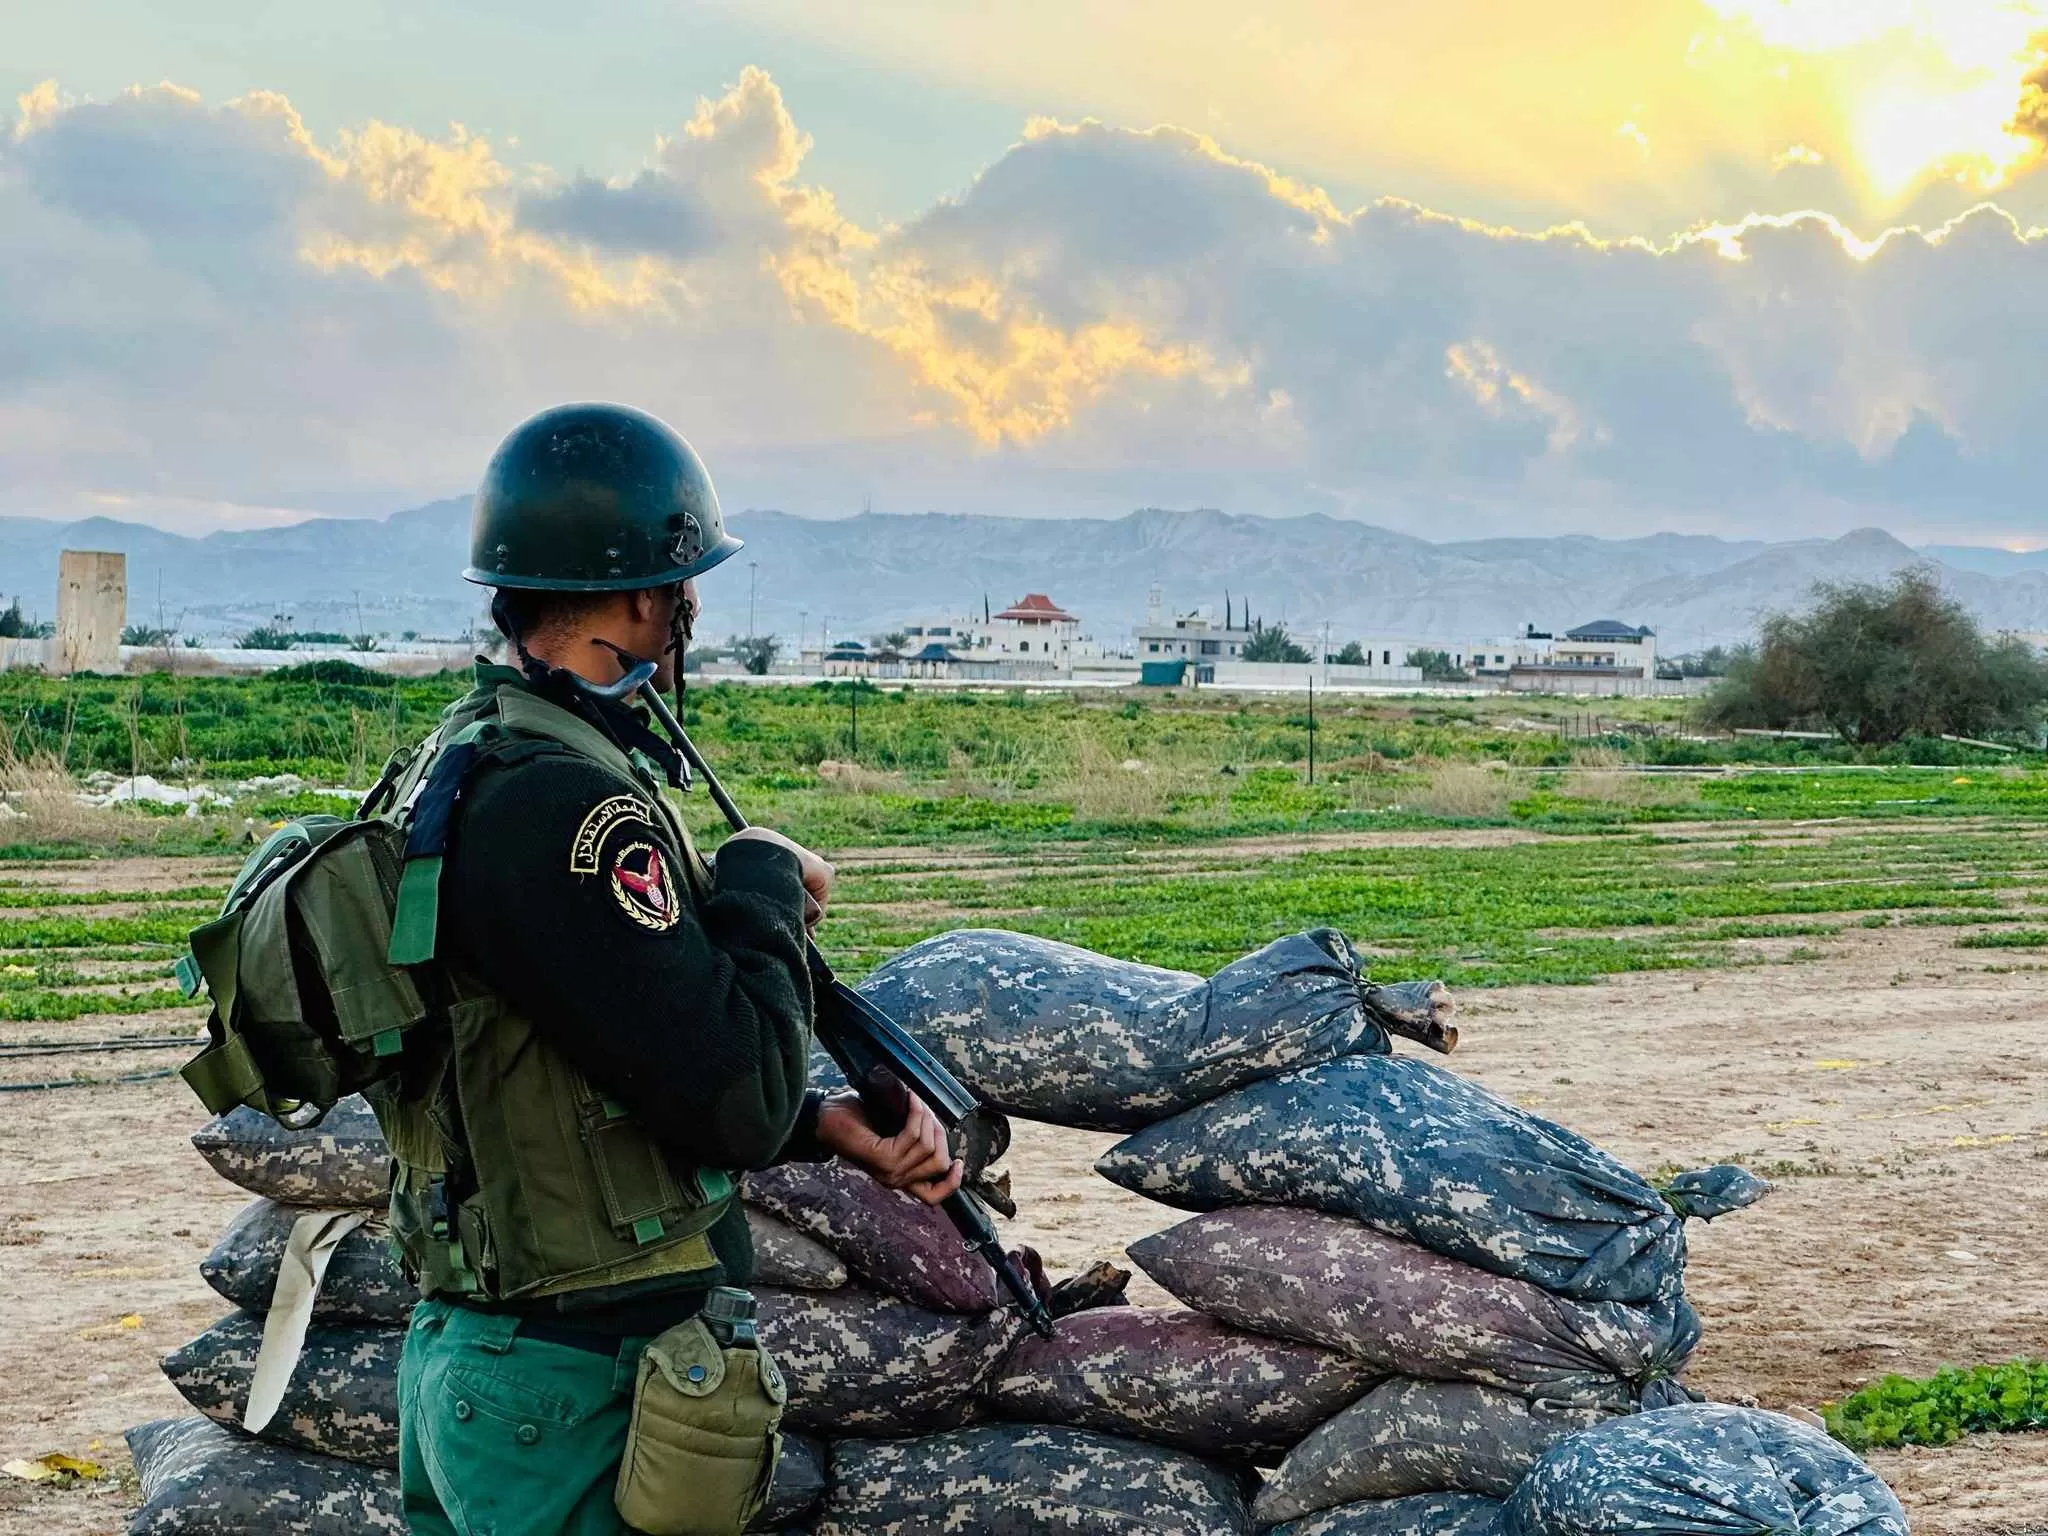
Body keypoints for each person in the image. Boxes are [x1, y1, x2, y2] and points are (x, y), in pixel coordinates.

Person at [383, 401, 962, 1535]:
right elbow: (735, 1097)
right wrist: (762, 885)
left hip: (491, 1360)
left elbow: (597, 1058)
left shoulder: (468, 758)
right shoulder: (566, 804)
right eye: (684, 582)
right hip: (572, 1385)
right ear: (647, 595)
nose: (688, 607)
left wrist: (825, 1126)